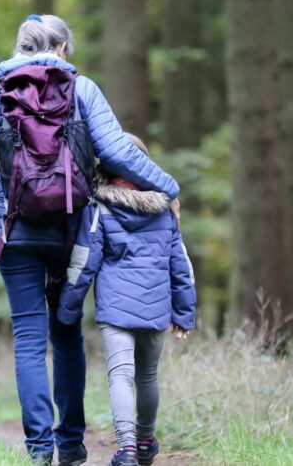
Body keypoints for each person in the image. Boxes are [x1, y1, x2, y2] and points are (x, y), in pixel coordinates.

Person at [0, 14, 180, 465]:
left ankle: (39, 450)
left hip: (15, 230)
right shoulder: (83, 89)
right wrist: (168, 187)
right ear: (62, 47)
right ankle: (71, 444)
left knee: (28, 337)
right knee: (66, 335)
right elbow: (118, 151)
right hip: (72, 231)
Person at [57, 134, 196, 466]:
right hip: (157, 308)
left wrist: (67, 307)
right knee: (147, 376)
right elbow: (181, 265)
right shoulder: (165, 210)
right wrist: (184, 311)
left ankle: (127, 449)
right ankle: (146, 441)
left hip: (116, 310)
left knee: (120, 375)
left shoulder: (99, 208)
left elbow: (83, 261)